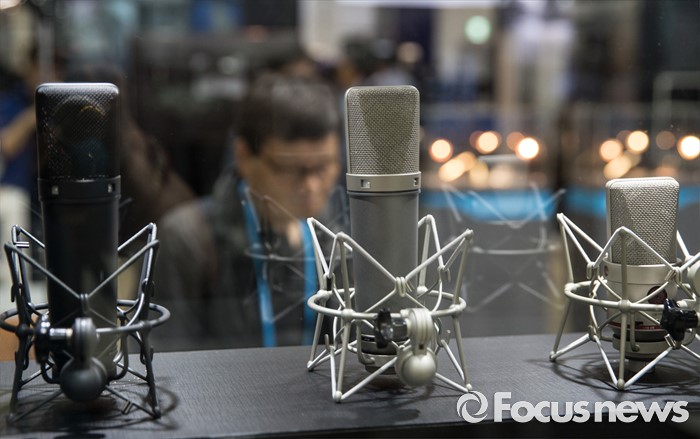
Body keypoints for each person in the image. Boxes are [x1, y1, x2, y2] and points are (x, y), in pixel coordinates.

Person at [153, 73, 344, 351]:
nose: (311, 186)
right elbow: (167, 362)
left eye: (324, 166)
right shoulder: (189, 240)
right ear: (243, 157)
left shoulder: (336, 237)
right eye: (290, 170)